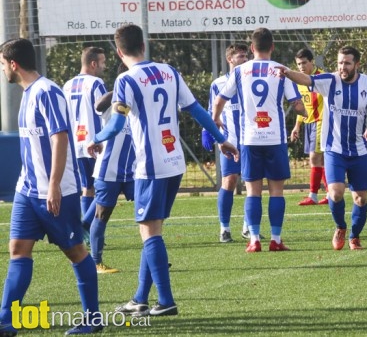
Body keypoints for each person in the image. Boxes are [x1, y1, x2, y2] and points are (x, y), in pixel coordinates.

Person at [86, 24, 238, 317]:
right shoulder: (169, 71)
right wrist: (223, 141)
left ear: (119, 52)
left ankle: (166, 300)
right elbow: (197, 111)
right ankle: (140, 299)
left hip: (150, 166)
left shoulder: (125, 80)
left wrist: (96, 138)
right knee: (152, 230)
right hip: (174, 162)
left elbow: (117, 125)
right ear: (144, 45)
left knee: (149, 231)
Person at [0, 38, 101, 335]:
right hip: (27, 190)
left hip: (56, 191)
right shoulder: (27, 94)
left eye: (2, 63)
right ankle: (5, 319)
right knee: (18, 249)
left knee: (76, 252)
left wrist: (54, 185)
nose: (2, 69)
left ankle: (92, 319)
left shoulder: (47, 91)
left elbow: (60, 138)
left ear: (13, 64)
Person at [277, 46, 367, 250]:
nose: (342, 67)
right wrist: (286, 71)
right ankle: (340, 227)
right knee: (336, 192)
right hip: (334, 149)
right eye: (340, 62)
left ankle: (354, 236)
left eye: (347, 63)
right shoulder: (330, 81)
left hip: (358, 150)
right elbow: (306, 79)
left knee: (361, 199)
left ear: (357, 64)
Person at [212, 27, 306, 253]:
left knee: (253, 191)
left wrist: (215, 120)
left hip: (250, 139)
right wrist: (306, 111)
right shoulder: (282, 71)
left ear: (252, 48)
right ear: (272, 47)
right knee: (276, 192)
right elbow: (299, 106)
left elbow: (219, 100)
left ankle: (254, 239)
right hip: (275, 138)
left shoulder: (240, 71)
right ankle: (275, 239)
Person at [89, 62, 135, 274]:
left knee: (151, 212)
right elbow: (98, 105)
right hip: (109, 168)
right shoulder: (113, 99)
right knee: (102, 214)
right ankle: (95, 261)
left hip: (135, 169)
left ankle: (154, 257)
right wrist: (119, 88)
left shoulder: (142, 99)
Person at [202, 43, 249, 243]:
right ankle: (224, 229)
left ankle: (249, 227)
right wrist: (210, 134)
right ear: (230, 59)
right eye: (241, 56)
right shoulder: (218, 84)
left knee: (252, 184)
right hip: (229, 141)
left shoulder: (250, 80)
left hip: (250, 141)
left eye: (247, 56)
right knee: (228, 182)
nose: (245, 60)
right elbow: (211, 112)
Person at [63, 47, 108, 242]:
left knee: (87, 187)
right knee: (107, 187)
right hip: (94, 142)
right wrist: (103, 139)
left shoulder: (67, 85)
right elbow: (105, 112)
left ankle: (87, 234)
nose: (104, 66)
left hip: (76, 143)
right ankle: (87, 223)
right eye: (103, 62)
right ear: (93, 64)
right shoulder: (96, 83)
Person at [290, 48, 329, 206]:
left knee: (315, 158)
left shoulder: (322, 77)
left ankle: (313, 195)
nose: (301, 66)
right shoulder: (299, 80)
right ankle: (329, 193)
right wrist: (297, 126)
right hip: (309, 123)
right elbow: (303, 105)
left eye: (304, 63)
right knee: (320, 160)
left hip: (322, 122)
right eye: (298, 64)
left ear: (312, 62)